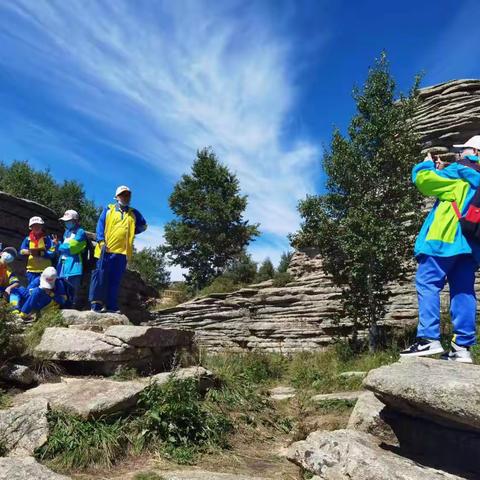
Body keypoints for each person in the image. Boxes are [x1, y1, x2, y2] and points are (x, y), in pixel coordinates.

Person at [401, 135, 480, 363]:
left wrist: (426, 164)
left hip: (444, 239)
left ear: (474, 151)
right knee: (463, 292)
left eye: (463, 149)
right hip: (471, 246)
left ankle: (428, 339)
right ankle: (462, 348)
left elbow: (424, 181)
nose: (459, 153)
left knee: (427, 282)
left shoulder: (459, 171)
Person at [89, 185, 147, 313]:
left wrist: (133, 231)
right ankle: (96, 305)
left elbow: (143, 225)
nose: (126, 197)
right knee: (100, 277)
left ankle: (111, 306)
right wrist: (101, 240)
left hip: (122, 253)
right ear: (117, 197)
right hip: (106, 250)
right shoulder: (108, 209)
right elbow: (100, 225)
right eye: (123, 194)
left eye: (128, 195)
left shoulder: (133, 213)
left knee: (115, 280)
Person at [54, 209, 87, 308]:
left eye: (68, 221)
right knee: (61, 286)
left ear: (75, 220)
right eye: (65, 221)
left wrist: (58, 245)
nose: (66, 223)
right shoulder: (66, 232)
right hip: (63, 264)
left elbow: (72, 247)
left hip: (74, 265)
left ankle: (70, 308)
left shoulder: (80, 232)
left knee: (72, 288)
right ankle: (62, 306)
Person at [20, 216, 55, 287]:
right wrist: (27, 252)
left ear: (42, 226)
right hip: (31, 272)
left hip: (46, 271)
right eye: (34, 225)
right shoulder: (27, 239)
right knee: (32, 291)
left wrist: (39, 253)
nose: (36, 227)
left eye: (38, 225)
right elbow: (20, 252)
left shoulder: (47, 239)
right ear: (31, 227)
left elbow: (52, 253)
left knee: (46, 291)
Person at [0, 247, 21, 311]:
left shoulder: (8, 270)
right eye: (8, 252)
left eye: (12, 254)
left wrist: (9, 288)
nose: (9, 254)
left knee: (16, 291)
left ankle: (14, 311)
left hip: (2, 289)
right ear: (1, 253)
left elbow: (16, 282)